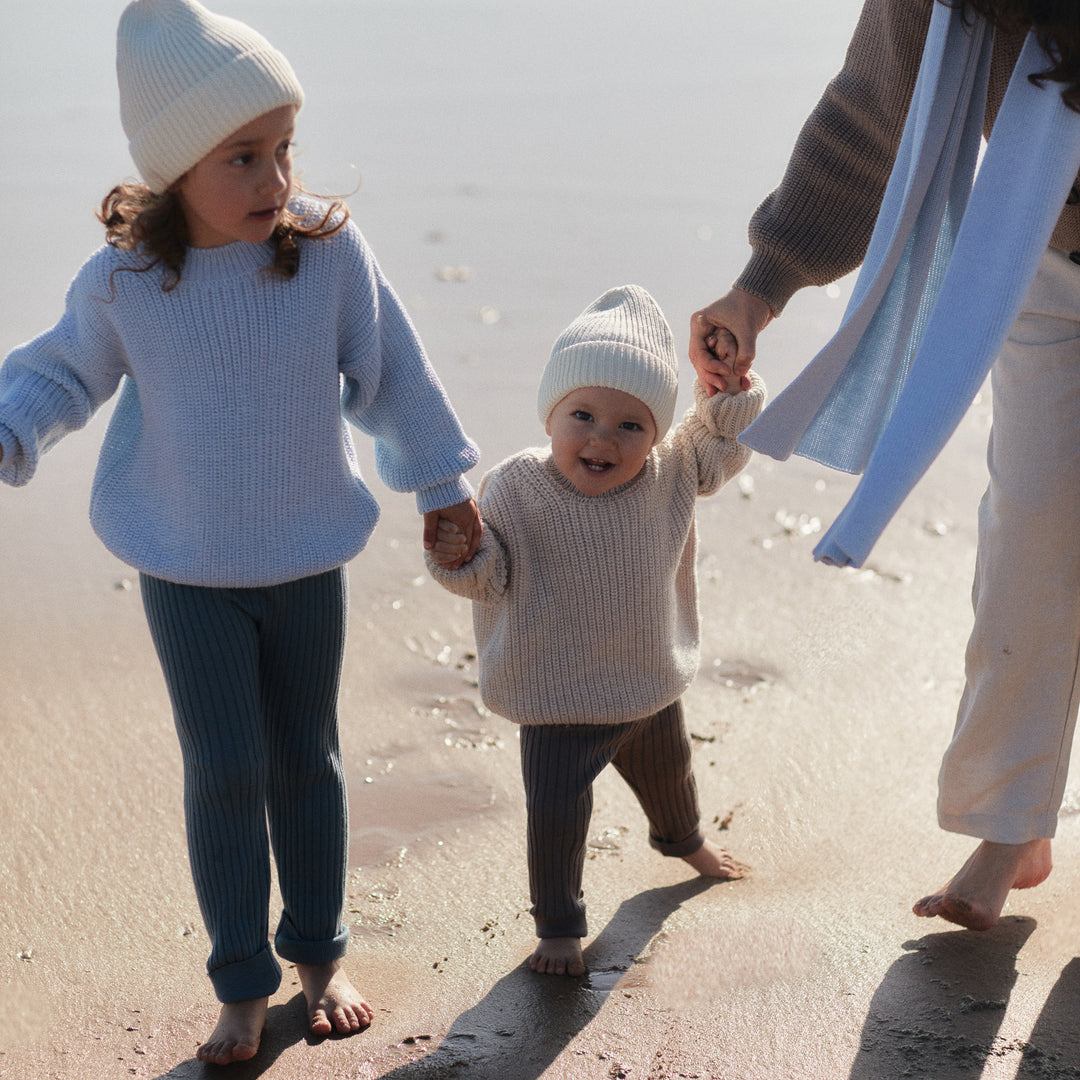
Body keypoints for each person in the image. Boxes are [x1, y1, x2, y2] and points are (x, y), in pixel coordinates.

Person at [0, 0, 481, 1064]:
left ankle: (320, 959)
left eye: (283, 150)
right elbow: (60, 370)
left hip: (307, 558)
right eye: (243, 158)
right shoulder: (129, 278)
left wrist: (441, 481)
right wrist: (9, 424)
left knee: (306, 762)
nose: (274, 180)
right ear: (174, 171)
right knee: (222, 770)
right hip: (186, 569)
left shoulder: (324, 255)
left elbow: (391, 370)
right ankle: (241, 988)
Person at [688, 0, 1080, 933]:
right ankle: (1009, 824)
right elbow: (873, 107)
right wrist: (761, 285)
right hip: (1045, 256)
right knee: (1031, 527)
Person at [426, 284, 765, 976]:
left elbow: (719, 443)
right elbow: (488, 575)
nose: (602, 439)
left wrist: (726, 393)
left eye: (631, 426)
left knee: (671, 775)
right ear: (552, 415)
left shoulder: (673, 468)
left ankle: (687, 843)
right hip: (558, 694)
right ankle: (558, 928)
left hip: (645, 680)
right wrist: (457, 556)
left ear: (657, 433)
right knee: (555, 814)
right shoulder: (518, 486)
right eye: (582, 415)